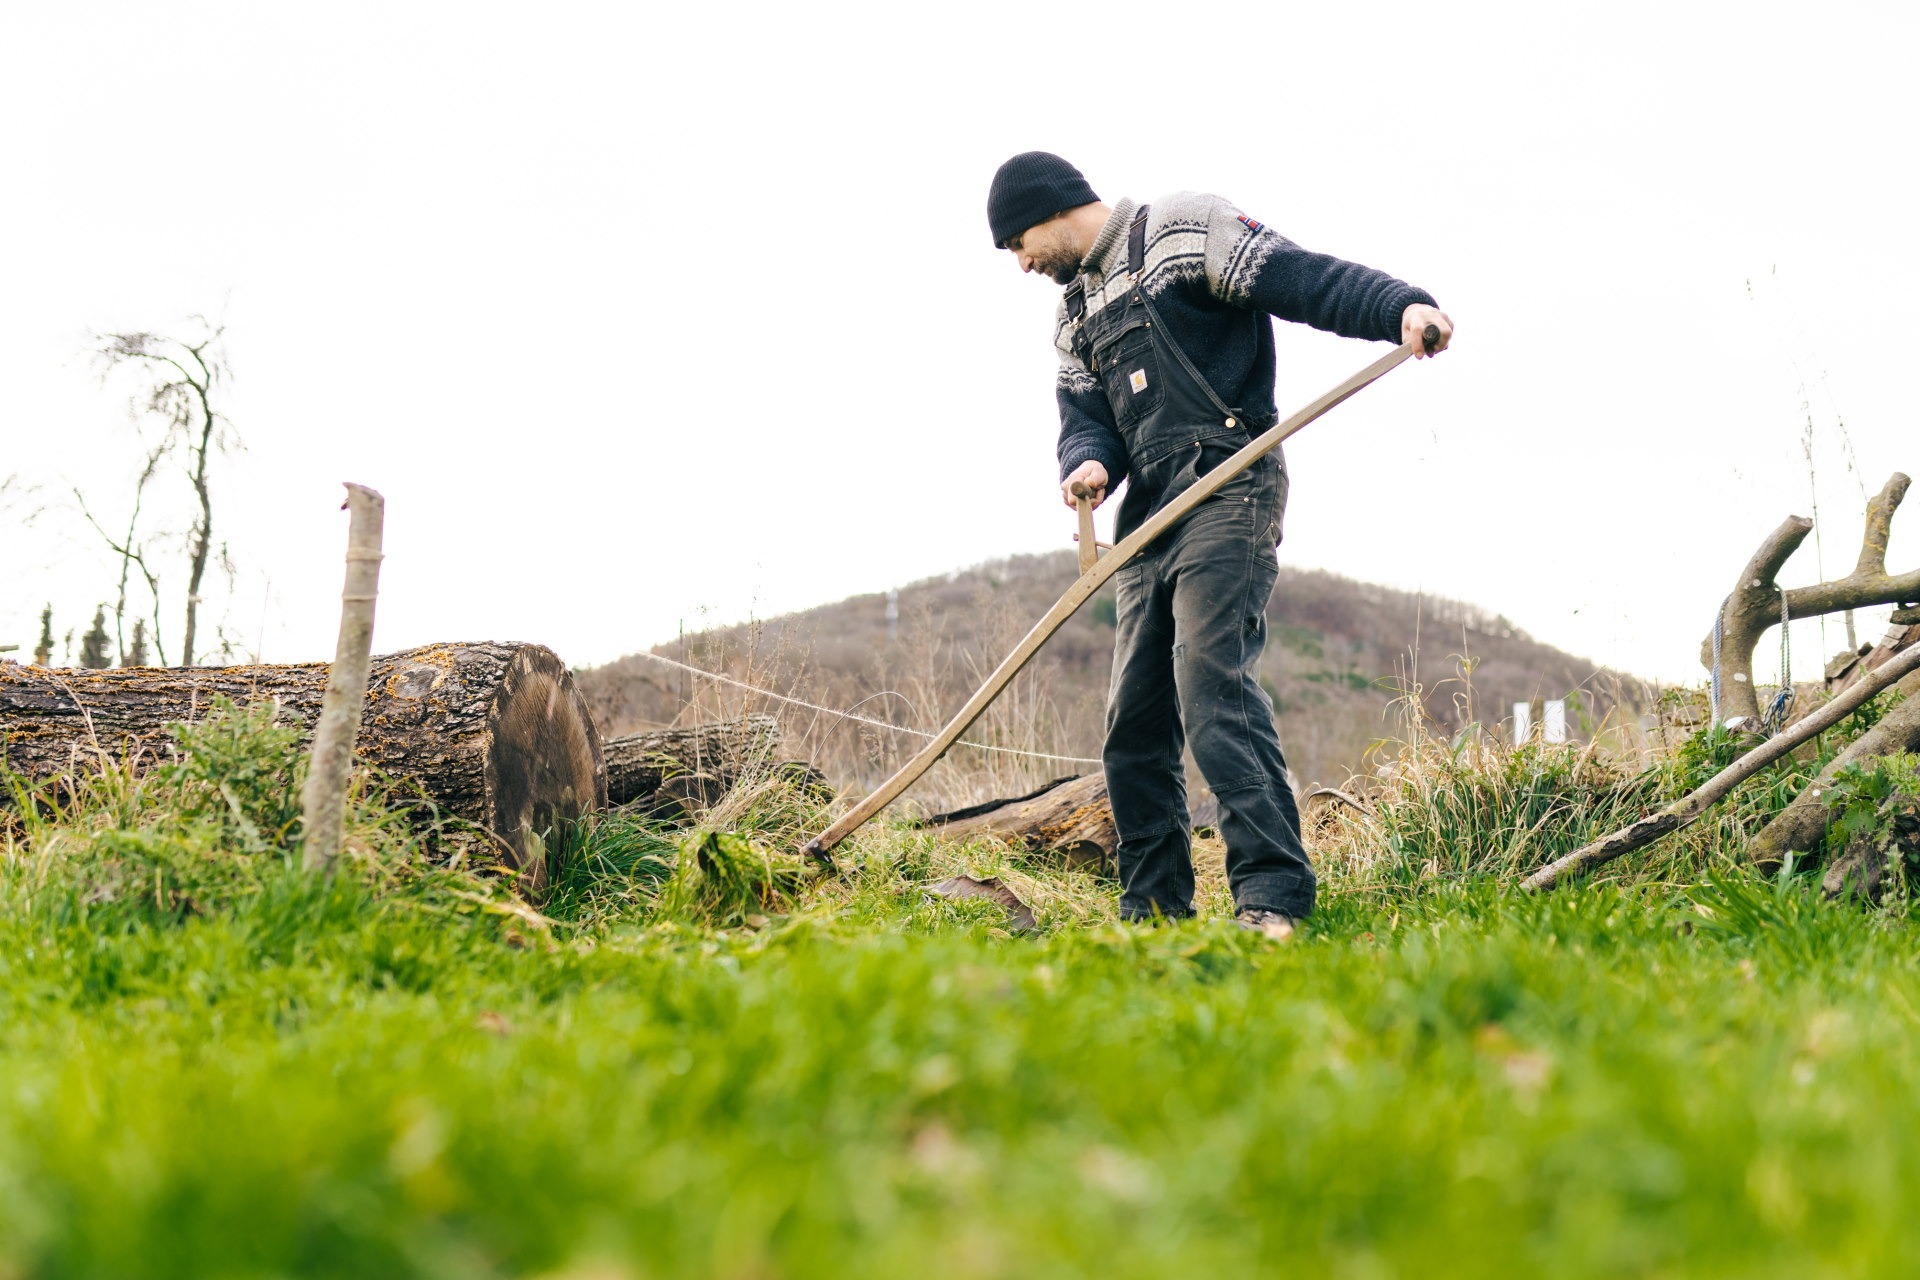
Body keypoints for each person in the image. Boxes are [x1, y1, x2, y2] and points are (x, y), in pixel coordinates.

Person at [987, 151, 1452, 934]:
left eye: (1017, 243)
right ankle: (1153, 916)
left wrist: (1400, 307)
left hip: (1230, 482)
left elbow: (1303, 278)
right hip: (1148, 517)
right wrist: (1088, 463)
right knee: (1133, 725)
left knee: (1211, 687)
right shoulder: (1072, 316)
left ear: (1051, 206)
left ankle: (1271, 902)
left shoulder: (1183, 227)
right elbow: (1086, 419)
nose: (1021, 263)